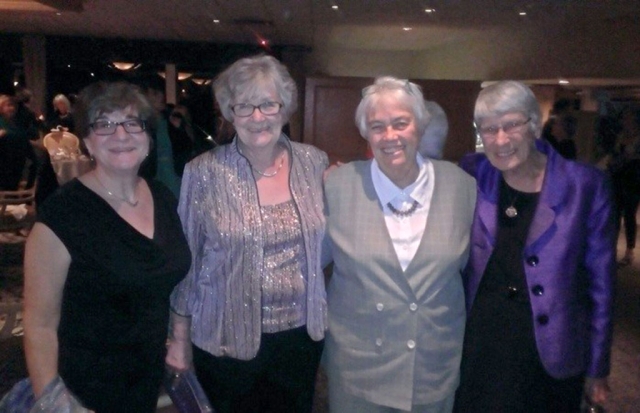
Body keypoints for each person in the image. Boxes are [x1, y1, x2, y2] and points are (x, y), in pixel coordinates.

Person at [166, 55, 328, 413]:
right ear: (229, 112)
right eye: (244, 106)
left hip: (300, 340)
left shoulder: (314, 162)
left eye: (268, 104)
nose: (258, 117)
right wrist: (179, 338)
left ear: (285, 109)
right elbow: (187, 262)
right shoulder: (203, 172)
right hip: (225, 341)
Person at [23, 81, 191, 412]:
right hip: (85, 389)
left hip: (145, 378)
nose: (121, 135)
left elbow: (172, 276)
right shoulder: (62, 215)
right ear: (85, 139)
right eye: (104, 124)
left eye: (132, 123)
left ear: (147, 136)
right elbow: (38, 325)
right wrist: (54, 400)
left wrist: (179, 337)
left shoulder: (162, 197)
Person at [454, 81, 615, 412]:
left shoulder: (584, 186)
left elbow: (602, 286)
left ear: (533, 124)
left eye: (512, 125)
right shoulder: (472, 172)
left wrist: (598, 366)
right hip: (482, 343)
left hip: (549, 349)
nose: (500, 140)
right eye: (489, 129)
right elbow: (420, 177)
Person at [323, 76, 476, 413]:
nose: (389, 136)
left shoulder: (463, 188)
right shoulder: (337, 185)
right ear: (365, 133)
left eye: (400, 123)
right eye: (377, 126)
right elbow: (307, 265)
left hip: (432, 370)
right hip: (359, 374)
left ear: (420, 126)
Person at [137, 76, 194, 198]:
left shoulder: (171, 117)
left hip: (174, 178)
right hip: (151, 179)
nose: (160, 97)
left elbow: (187, 148)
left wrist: (179, 128)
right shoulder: (140, 123)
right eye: (155, 94)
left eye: (160, 93)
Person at [609, 106, 640, 266]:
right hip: (618, 179)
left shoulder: (638, 138)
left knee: (629, 215)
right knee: (614, 215)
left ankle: (629, 250)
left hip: (633, 181)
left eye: (628, 118)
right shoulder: (621, 136)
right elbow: (616, 155)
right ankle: (611, 247)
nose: (625, 122)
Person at [0, 94, 38, 191]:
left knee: (36, 162)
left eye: (12, 105)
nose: (11, 108)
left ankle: (25, 192)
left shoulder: (17, 120)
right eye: (8, 105)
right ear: (1, 108)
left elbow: (32, 134)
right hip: (6, 158)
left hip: (19, 155)